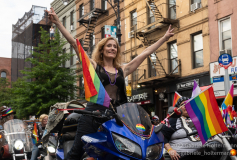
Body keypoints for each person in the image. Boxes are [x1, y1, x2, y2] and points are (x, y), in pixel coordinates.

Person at [45, 7, 175, 160]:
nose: (112, 48)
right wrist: (58, 23)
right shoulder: (94, 67)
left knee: (125, 152)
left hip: (116, 116)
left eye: (115, 46)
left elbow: (145, 53)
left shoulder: (122, 70)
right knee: (76, 152)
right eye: (109, 46)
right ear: (102, 49)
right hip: (93, 114)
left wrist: (164, 38)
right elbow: (75, 45)